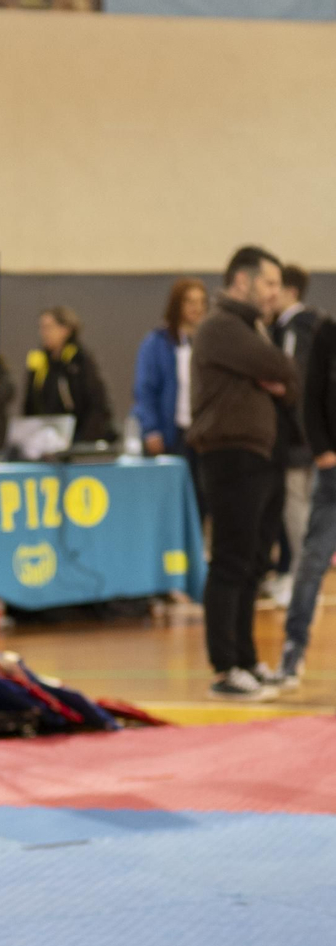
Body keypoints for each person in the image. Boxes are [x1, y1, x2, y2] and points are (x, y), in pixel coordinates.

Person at [189, 246, 298, 701]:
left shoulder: (253, 327)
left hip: (260, 454)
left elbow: (292, 386)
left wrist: (282, 382)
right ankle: (225, 668)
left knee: (254, 562)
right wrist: (277, 379)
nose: (275, 293)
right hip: (230, 456)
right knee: (232, 561)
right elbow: (284, 369)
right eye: (269, 283)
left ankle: (247, 659)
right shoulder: (221, 326)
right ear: (241, 281)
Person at [280, 312, 336, 687]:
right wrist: (322, 450)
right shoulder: (326, 333)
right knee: (313, 559)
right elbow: (310, 396)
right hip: (332, 470)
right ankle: (293, 646)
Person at [133, 278, 210, 518]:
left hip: (204, 435)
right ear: (177, 304)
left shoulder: (210, 342)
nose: (196, 308)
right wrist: (151, 429)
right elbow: (144, 390)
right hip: (172, 434)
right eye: (189, 301)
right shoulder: (157, 343)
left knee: (203, 497)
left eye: (201, 302)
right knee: (171, 499)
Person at [268, 266, 321, 598]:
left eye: (275, 286)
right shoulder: (308, 325)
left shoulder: (296, 329)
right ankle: (293, 571)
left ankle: (304, 580)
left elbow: (290, 378)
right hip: (306, 433)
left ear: (290, 291)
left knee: (297, 506)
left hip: (298, 435)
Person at [22, 306, 114, 443]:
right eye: (41, 327)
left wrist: (83, 443)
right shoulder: (38, 361)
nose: (43, 333)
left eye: (48, 327)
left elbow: (97, 405)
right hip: (47, 441)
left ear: (66, 330)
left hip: (77, 440)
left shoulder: (80, 361)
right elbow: (29, 406)